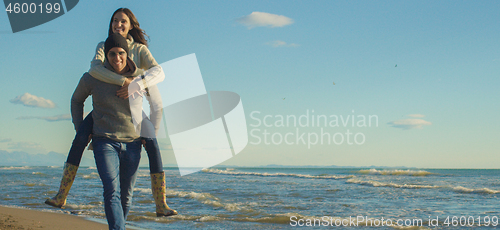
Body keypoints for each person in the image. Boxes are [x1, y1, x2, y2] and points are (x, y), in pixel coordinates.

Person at [45, 8, 177, 217]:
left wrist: (137, 84)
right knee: (80, 137)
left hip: (132, 110)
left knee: (152, 143)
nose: (118, 24)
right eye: (115, 21)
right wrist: (122, 81)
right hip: (105, 108)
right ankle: (61, 195)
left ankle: (160, 203)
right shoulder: (103, 45)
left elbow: (158, 72)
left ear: (131, 25)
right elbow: (95, 69)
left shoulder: (140, 50)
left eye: (123, 21)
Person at [72, 33, 146, 229]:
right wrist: (80, 129)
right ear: (106, 55)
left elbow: (154, 105)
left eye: (121, 53)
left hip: (133, 142)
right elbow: (76, 100)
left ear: (128, 54)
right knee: (111, 190)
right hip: (104, 140)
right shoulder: (93, 77)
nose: (117, 58)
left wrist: (150, 132)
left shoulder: (139, 77)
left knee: (126, 196)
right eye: (112, 54)